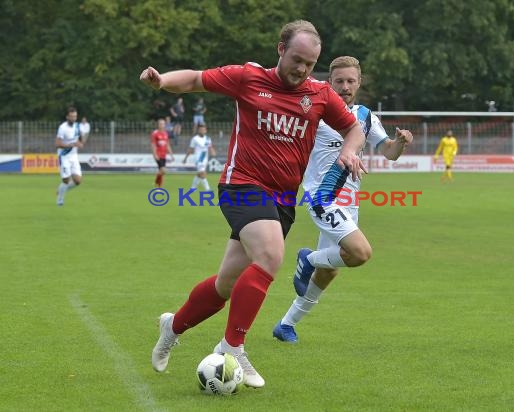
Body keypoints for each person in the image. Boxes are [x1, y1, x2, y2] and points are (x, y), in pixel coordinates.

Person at [139, 19, 366, 388]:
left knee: (226, 286)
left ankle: (173, 325)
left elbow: (353, 128)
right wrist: (162, 81)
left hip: (281, 198)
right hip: (242, 184)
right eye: (297, 59)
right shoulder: (248, 77)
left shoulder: (320, 93)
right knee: (271, 255)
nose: (302, 69)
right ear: (281, 49)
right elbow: (196, 79)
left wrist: (350, 150)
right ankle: (233, 346)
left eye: (310, 63)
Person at [272, 56, 413, 343]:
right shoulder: (315, 110)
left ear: (359, 83)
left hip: (349, 201)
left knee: (331, 270)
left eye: (350, 81)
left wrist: (400, 142)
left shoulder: (365, 116)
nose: (345, 87)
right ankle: (307, 258)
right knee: (360, 254)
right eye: (339, 81)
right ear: (329, 83)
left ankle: (286, 325)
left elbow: (388, 151)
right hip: (322, 196)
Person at [55, 107, 84, 206]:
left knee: (78, 181)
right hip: (64, 156)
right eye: (71, 117)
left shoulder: (77, 126)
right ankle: (60, 199)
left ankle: (61, 190)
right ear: (67, 117)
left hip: (74, 156)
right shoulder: (62, 128)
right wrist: (69, 145)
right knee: (66, 180)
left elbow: (78, 139)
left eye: (75, 116)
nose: (73, 118)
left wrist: (80, 143)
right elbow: (57, 143)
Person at [183, 123, 216, 191]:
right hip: (198, 159)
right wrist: (185, 158)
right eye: (200, 129)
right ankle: (208, 189)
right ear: (198, 130)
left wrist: (213, 151)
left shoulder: (208, 138)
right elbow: (190, 149)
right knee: (202, 173)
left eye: (203, 129)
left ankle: (193, 188)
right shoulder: (195, 139)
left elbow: (210, 147)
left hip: (205, 158)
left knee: (199, 174)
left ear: (205, 130)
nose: (202, 131)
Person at [151, 118, 175, 188]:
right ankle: (157, 184)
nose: (162, 125)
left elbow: (167, 144)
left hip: (163, 155)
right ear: (158, 125)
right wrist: (154, 154)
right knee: (163, 170)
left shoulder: (165, 133)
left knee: (162, 172)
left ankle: (158, 186)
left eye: (163, 124)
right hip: (158, 154)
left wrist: (171, 155)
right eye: (160, 124)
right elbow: (153, 144)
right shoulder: (155, 133)